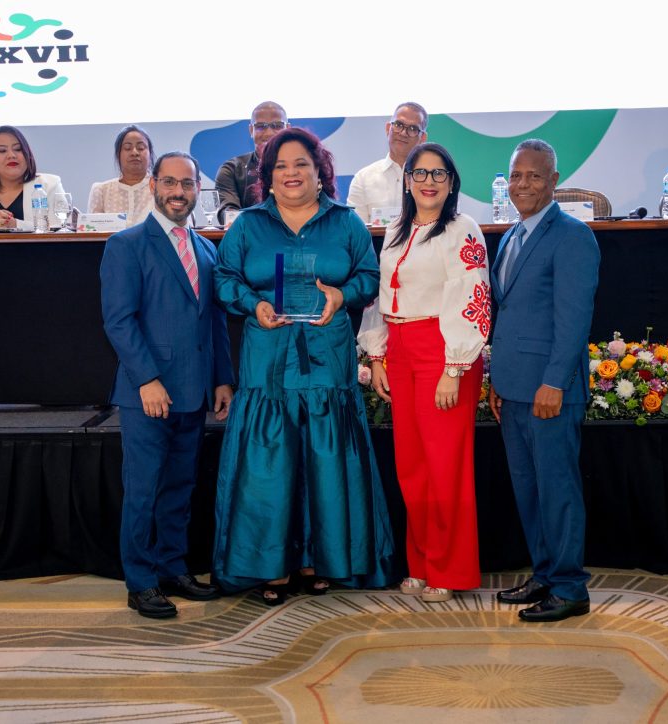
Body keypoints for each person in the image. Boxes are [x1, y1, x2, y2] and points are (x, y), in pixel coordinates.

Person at [213, 127, 394, 606]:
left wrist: (342, 295)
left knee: (326, 463)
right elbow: (224, 278)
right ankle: (270, 567)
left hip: (326, 361)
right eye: (280, 166)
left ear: (320, 172)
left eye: (301, 164)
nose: (290, 173)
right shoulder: (248, 225)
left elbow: (369, 276)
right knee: (269, 467)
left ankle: (321, 561)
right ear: (267, 177)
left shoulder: (346, 222)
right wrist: (253, 305)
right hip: (268, 363)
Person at [100, 151, 234, 619]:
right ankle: (140, 583)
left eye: (187, 184)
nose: (179, 192)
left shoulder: (207, 250)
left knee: (179, 487)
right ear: (154, 185)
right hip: (147, 395)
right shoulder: (126, 245)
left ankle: (173, 569)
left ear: (197, 189)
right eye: (171, 183)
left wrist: (222, 378)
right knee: (143, 491)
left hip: (195, 391)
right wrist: (148, 379)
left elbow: (214, 321)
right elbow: (119, 322)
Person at [358, 142, 489, 603]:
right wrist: (377, 356)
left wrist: (455, 367)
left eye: (439, 174)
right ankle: (421, 563)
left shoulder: (462, 228)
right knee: (412, 466)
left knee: (445, 465)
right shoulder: (396, 229)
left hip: (443, 351)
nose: (428, 182)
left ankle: (450, 569)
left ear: (452, 183)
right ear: (407, 180)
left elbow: (472, 297)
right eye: (420, 173)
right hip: (400, 349)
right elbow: (379, 296)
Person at [488, 139, 600, 622]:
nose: (523, 184)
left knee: (557, 490)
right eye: (516, 175)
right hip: (514, 387)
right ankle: (545, 574)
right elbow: (509, 315)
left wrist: (555, 382)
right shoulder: (512, 235)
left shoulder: (573, 236)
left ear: (554, 180)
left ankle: (571, 588)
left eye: (534, 176)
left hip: (550, 390)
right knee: (529, 489)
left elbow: (574, 319)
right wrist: (498, 379)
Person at [346, 102, 429, 224]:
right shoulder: (363, 179)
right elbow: (355, 230)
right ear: (388, 128)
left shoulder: (433, 179)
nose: (403, 133)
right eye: (398, 125)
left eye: (412, 129)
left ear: (422, 138)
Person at [214, 101, 289, 223]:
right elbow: (228, 214)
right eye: (261, 126)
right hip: (248, 234)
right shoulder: (231, 169)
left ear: (288, 129)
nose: (269, 133)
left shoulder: (303, 168)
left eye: (277, 125)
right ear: (251, 130)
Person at [87, 124, 156, 224]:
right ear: (118, 155)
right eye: (127, 148)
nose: (134, 153)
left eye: (141, 148)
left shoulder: (161, 189)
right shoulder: (101, 191)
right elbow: (92, 229)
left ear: (150, 154)